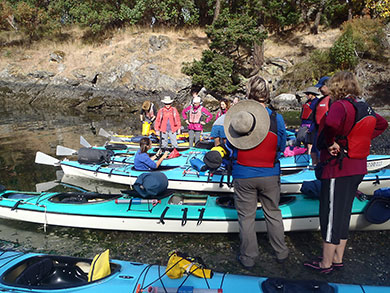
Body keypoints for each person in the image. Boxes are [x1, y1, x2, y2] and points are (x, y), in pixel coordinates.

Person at [304, 71, 388, 273]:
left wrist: (333, 142)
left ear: (337, 86)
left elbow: (331, 124)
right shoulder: (363, 106)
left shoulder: (340, 105)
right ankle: (337, 258)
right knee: (343, 213)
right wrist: (360, 139)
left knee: (331, 215)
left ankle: (326, 263)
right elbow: (382, 124)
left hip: (338, 168)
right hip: (357, 167)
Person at [224, 76, 289, 268]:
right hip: (270, 172)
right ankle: (281, 253)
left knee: (246, 217)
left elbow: (230, 145)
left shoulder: (241, 118)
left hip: (243, 174)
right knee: (273, 213)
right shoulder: (277, 118)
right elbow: (282, 145)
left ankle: (249, 257)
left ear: (249, 93)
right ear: (267, 94)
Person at [309, 76, 331, 166]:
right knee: (314, 153)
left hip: (326, 132)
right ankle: (315, 169)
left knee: (320, 154)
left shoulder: (333, 100)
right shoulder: (320, 100)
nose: (319, 90)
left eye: (321, 87)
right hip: (317, 132)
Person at [296, 86, 320, 161]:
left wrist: (312, 128)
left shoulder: (316, 102)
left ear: (313, 94)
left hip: (311, 125)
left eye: (308, 94)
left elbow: (316, 116)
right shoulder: (307, 102)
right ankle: (306, 156)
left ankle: (310, 159)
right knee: (304, 141)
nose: (307, 95)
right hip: (304, 125)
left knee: (310, 143)